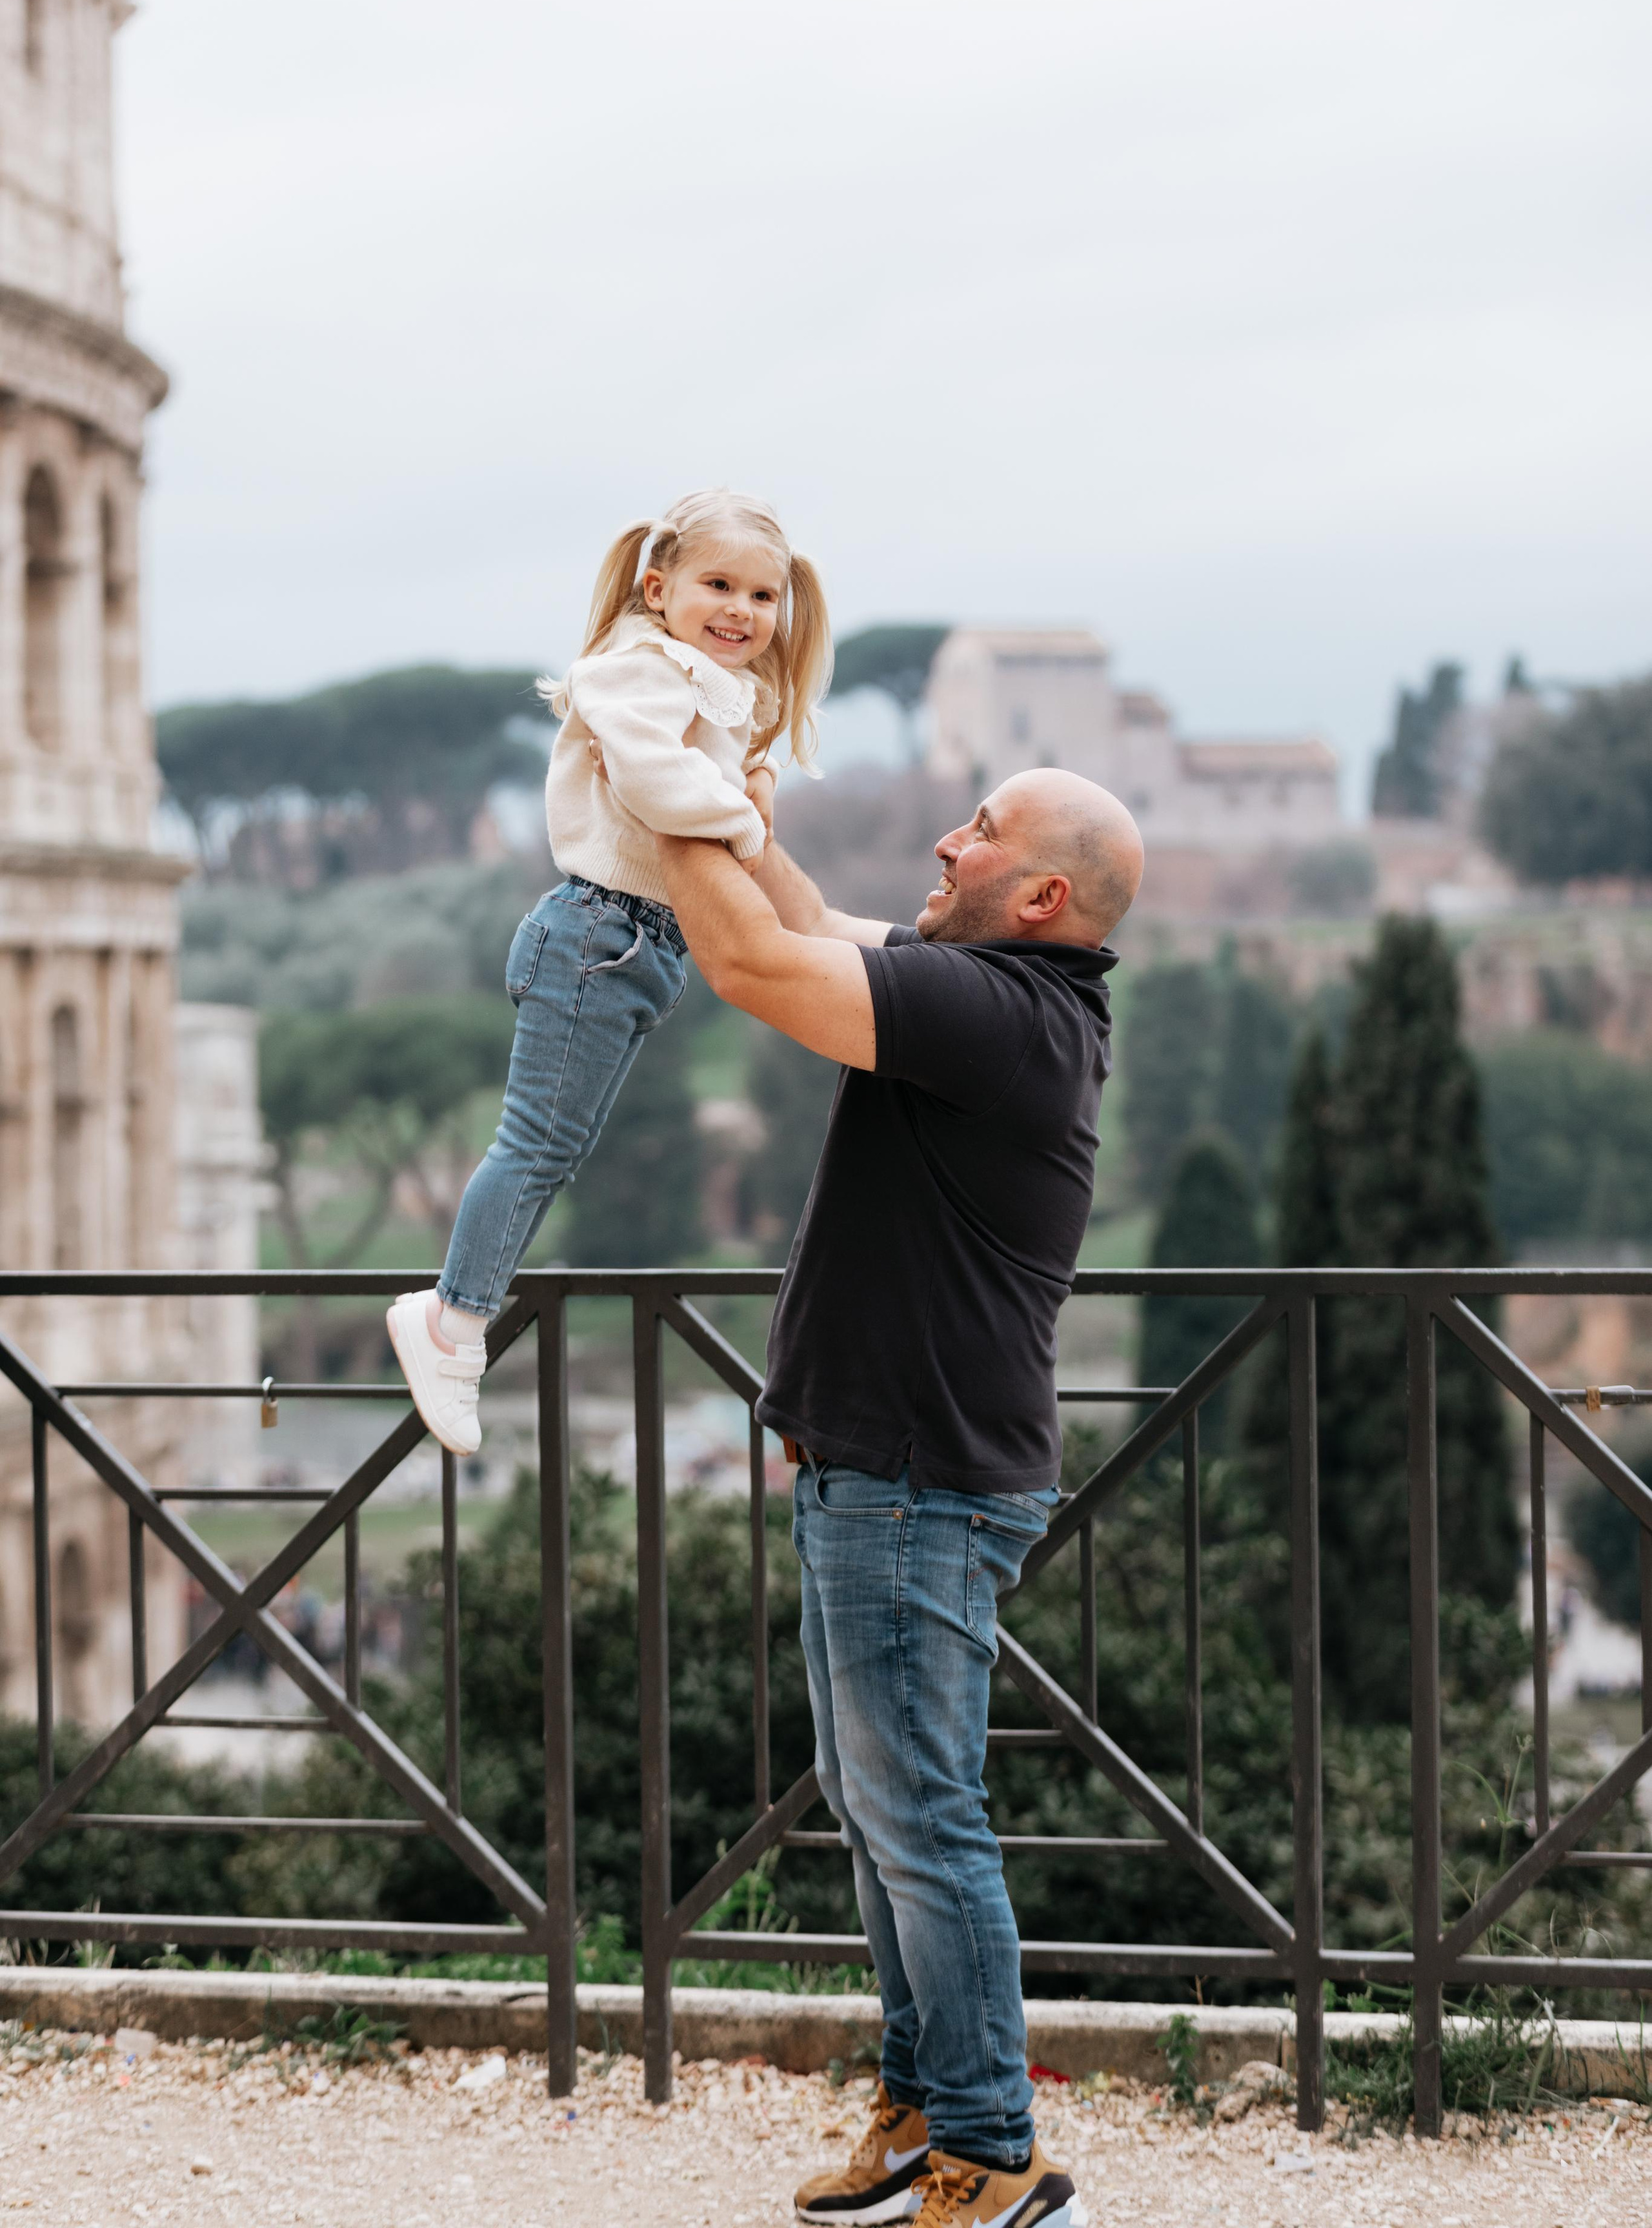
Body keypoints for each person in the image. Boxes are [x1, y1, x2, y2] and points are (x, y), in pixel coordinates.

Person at [653, 768, 1144, 2228]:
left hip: (916, 1484)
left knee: (920, 1818)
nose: (948, 838)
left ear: (1040, 896)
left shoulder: (994, 1014)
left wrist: (649, 796)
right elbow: (801, 914)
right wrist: (728, 813)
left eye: (981, 828)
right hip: (885, 1473)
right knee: (885, 1820)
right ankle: (928, 2110)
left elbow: (747, 961)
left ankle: (993, 2151)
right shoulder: (982, 993)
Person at [388, 488, 830, 1455]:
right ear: (657, 585)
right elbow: (655, 781)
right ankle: (450, 1327)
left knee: (554, 1150)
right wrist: (750, 820)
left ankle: (456, 1319)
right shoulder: (638, 670)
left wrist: (750, 780)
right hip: (597, 935)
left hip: (636, 948)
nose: (741, 611)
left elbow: (707, 779)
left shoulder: (709, 682)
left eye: (763, 596)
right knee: (534, 1146)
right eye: (719, 584)